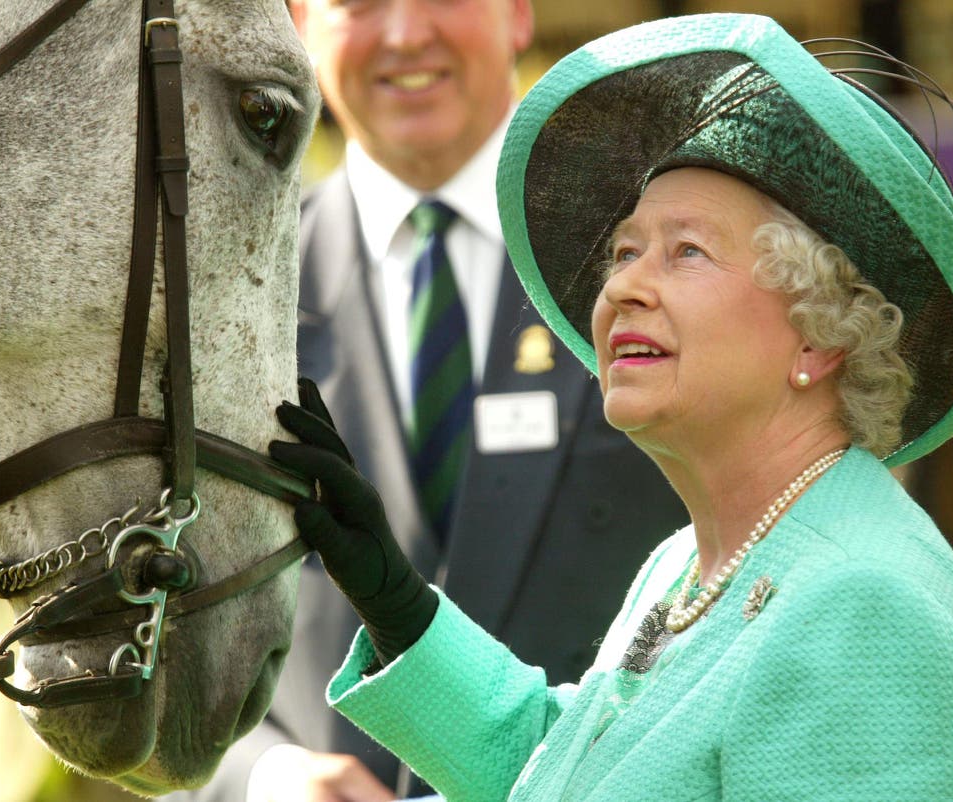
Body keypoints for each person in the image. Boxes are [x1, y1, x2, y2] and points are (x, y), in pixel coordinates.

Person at [265, 13, 953, 801]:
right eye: (625, 251)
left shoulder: (863, 610)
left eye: (687, 251)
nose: (623, 285)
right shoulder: (687, 564)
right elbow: (569, 774)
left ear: (820, 334)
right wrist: (399, 607)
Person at [168, 1, 687, 800]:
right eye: (360, 2)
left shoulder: (660, 267)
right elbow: (161, 627)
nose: (407, 34)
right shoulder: (219, 292)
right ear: (300, 26)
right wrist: (263, 777)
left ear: (518, 13)